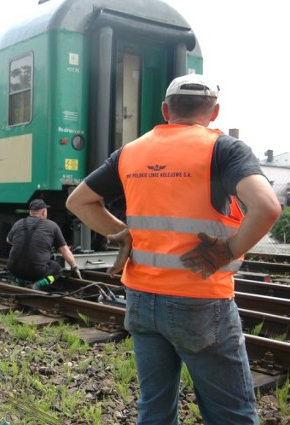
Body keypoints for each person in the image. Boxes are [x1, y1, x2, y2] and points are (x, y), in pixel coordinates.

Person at [66, 74, 281, 424]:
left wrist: (122, 234)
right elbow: (268, 207)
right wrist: (228, 250)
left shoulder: (131, 152)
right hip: (200, 299)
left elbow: (80, 201)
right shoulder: (223, 148)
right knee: (231, 413)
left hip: (141, 300)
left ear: (166, 110)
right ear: (214, 112)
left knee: (154, 407)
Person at [7, 198, 81, 288]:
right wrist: (74, 268)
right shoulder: (52, 226)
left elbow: (9, 240)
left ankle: (20, 281)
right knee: (57, 269)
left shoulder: (18, 223)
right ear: (44, 212)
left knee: (23, 265)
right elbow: (64, 250)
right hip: (37, 272)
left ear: (30, 212)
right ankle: (37, 285)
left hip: (13, 269)